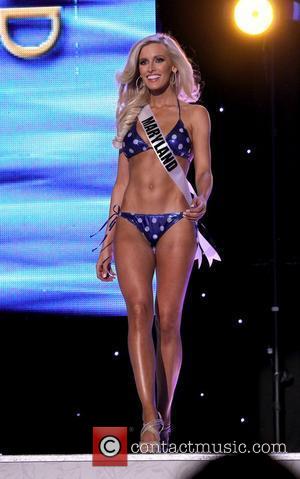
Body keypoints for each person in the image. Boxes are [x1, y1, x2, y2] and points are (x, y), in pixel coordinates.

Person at [94, 32, 220, 452]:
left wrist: (202, 196)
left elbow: (203, 170)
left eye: (158, 62)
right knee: (138, 313)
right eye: (143, 63)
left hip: (176, 221)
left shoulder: (196, 114)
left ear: (173, 67)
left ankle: (166, 416)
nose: (150, 69)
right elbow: (121, 181)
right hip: (130, 221)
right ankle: (148, 416)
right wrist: (108, 238)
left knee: (168, 320)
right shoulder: (132, 115)